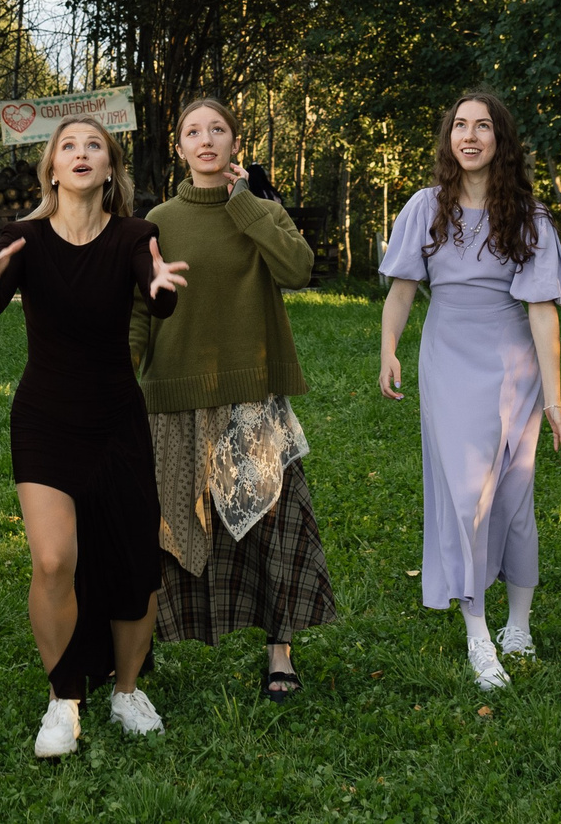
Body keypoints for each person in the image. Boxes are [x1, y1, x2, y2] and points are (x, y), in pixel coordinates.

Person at [0, 118, 188, 758]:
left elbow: (161, 298)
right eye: (69, 145)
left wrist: (158, 285)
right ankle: (63, 697)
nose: (82, 153)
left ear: (111, 167)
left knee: (133, 561)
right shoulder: (24, 239)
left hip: (118, 418)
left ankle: (125, 690)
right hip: (45, 418)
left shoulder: (134, 236)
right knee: (52, 559)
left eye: (94, 144)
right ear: (52, 169)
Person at [377, 89, 561, 691]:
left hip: (513, 362)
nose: (469, 136)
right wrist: (389, 348)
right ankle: (478, 633)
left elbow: (544, 313)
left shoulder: (530, 216)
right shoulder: (423, 207)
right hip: (448, 359)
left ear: (500, 141)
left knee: (515, 498)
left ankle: (519, 625)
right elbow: (402, 291)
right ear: (448, 140)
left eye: (482, 126)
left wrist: (554, 398)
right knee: (467, 497)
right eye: (459, 126)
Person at [138, 94, 339, 699]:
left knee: (271, 524)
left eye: (217, 130)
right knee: (170, 527)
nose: (205, 140)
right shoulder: (158, 221)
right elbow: (141, 310)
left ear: (233, 143)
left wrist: (247, 203)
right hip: (174, 396)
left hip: (251, 397)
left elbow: (298, 270)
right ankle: (139, 647)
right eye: (193, 131)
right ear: (179, 147)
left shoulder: (258, 208)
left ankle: (280, 653)